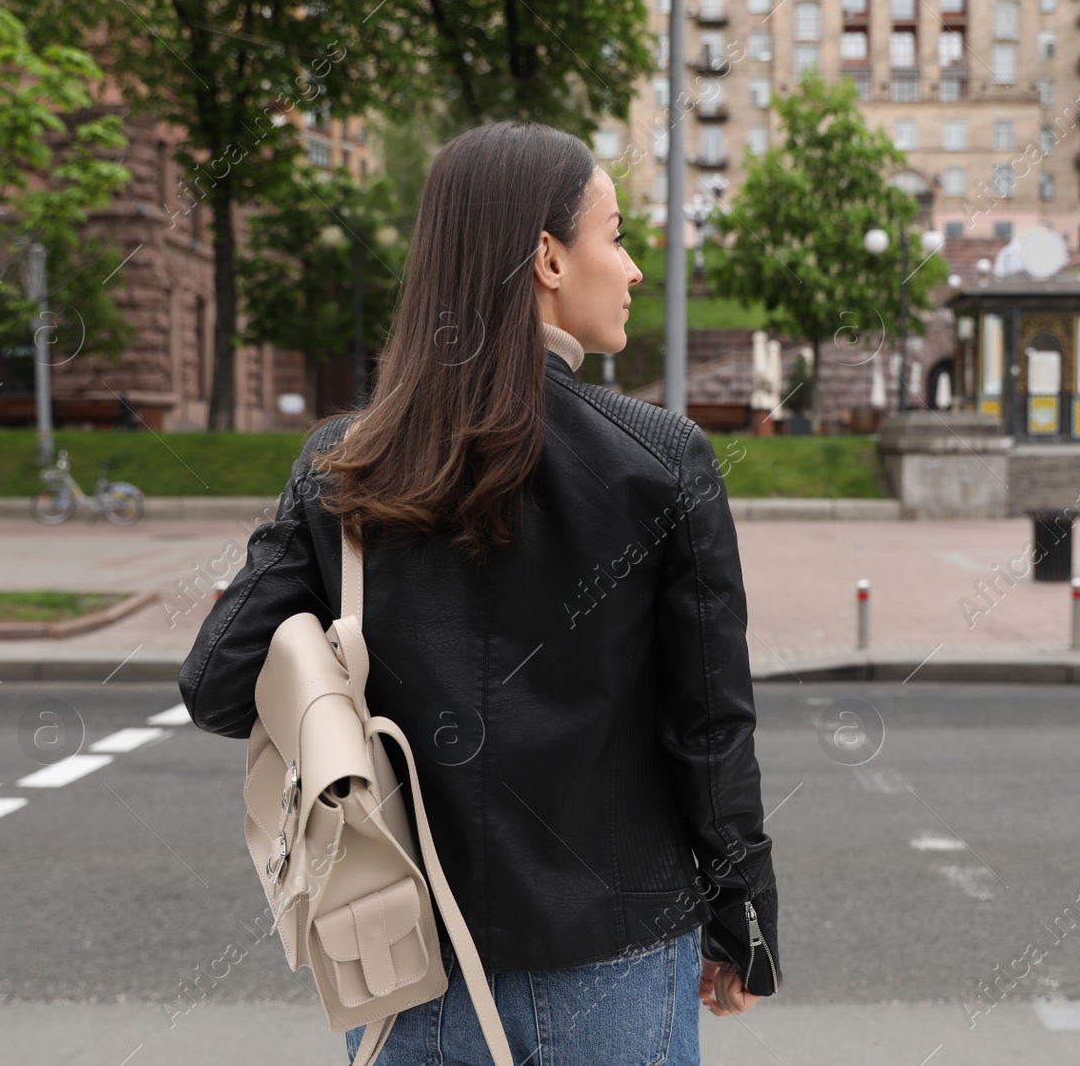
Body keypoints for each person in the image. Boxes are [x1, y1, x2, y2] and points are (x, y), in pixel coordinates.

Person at [178, 119, 779, 1065]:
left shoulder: (345, 465)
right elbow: (709, 729)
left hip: (408, 968)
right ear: (546, 255)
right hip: (616, 965)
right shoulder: (664, 463)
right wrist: (743, 916)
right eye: (614, 235)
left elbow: (216, 684)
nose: (629, 268)